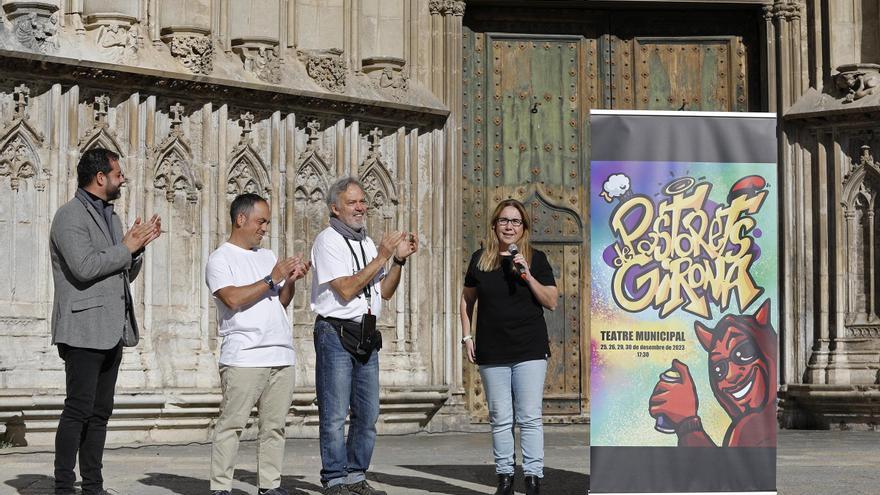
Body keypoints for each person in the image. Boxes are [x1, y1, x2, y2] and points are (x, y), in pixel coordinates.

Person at [51, 148, 162, 495]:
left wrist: (137, 248)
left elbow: (119, 271)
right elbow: (84, 267)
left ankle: (93, 485)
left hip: (112, 328)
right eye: (118, 174)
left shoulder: (112, 218)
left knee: (100, 412)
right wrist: (126, 247)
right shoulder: (69, 217)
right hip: (83, 329)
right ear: (100, 177)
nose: (123, 179)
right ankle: (64, 485)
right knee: (78, 408)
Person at [309, 177, 418, 495]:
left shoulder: (367, 243)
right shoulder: (328, 240)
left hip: (367, 333)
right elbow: (344, 289)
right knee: (334, 411)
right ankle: (334, 478)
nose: (360, 207)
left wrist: (397, 260)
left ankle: (355, 475)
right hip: (336, 332)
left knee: (368, 412)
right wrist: (383, 257)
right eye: (352, 202)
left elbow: (383, 292)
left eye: (362, 201)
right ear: (335, 208)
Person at [205, 193, 310, 495]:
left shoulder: (267, 255)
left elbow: (281, 302)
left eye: (267, 222)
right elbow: (233, 299)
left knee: (274, 427)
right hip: (244, 356)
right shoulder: (220, 258)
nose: (264, 227)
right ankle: (221, 488)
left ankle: (269, 486)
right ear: (241, 219)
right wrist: (271, 277)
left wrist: (289, 280)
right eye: (260, 221)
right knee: (232, 425)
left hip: (280, 353)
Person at [460, 199, 558, 495]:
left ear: (524, 228)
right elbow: (467, 301)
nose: (509, 226)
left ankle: (532, 477)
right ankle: (504, 477)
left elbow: (551, 301)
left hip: (529, 348)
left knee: (529, 416)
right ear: (494, 225)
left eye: (516, 222)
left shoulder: (535, 259)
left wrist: (527, 275)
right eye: (504, 220)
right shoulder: (480, 259)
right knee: (501, 417)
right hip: (492, 350)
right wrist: (467, 337)